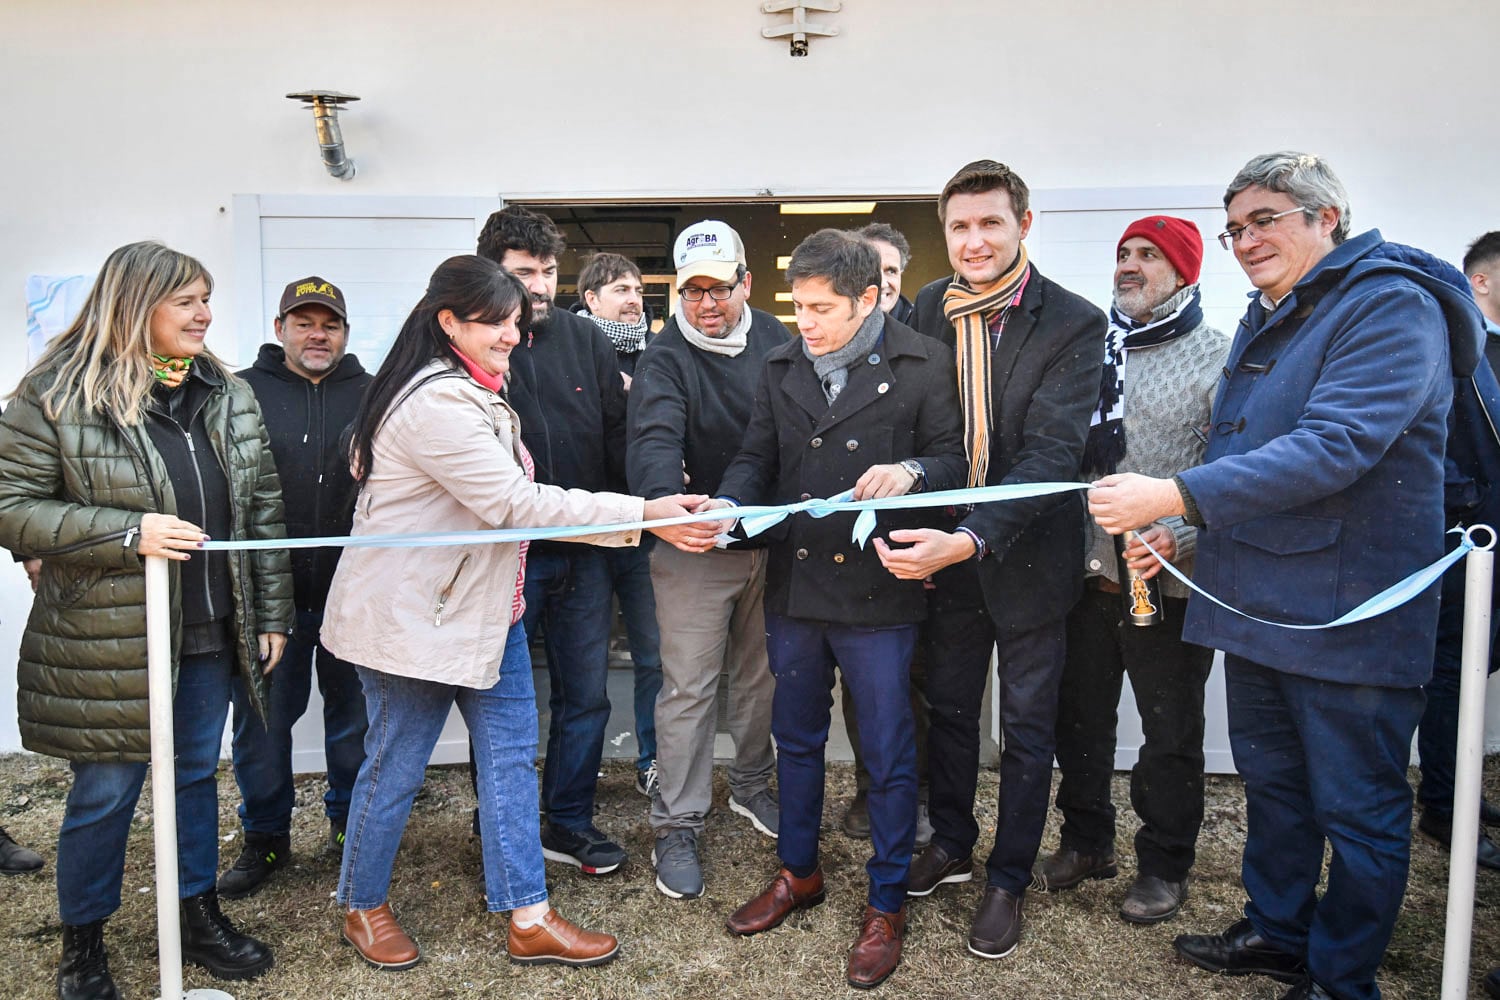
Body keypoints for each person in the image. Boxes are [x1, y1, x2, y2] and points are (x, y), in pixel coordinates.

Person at [1088, 151, 1485, 1000]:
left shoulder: (1388, 306)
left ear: (1325, 217)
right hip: (1263, 603)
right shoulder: (1276, 312)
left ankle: (1342, 976)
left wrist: (1175, 495)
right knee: (1276, 788)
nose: (1244, 240)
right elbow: (1247, 451)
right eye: (1233, 228)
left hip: (1348, 615)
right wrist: (1188, 538)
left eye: (1264, 220)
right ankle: (1277, 930)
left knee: (1358, 807)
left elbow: (1336, 445)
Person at [320, 255, 715, 971]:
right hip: (417, 623)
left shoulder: (475, 388)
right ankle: (362, 902)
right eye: (496, 322)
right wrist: (647, 512)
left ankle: (528, 914)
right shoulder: (438, 402)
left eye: (514, 321)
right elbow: (515, 505)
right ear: (449, 323)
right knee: (396, 768)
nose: (511, 334)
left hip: (483, 613)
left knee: (507, 762)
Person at [0, 240, 294, 998]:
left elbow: (259, 507)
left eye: (206, 299)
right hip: (110, 636)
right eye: (186, 301)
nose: (203, 315)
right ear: (136, 305)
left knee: (196, 778)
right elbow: (13, 509)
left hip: (208, 630)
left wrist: (267, 610)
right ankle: (84, 945)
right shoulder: (58, 393)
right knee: (107, 792)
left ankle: (195, 916)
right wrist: (127, 534)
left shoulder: (222, 391)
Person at [717, 228, 966, 989]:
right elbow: (760, 455)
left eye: (822, 307)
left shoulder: (925, 364)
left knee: (888, 754)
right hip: (796, 588)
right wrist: (728, 502)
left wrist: (913, 469)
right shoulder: (781, 363)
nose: (806, 321)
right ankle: (799, 871)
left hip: (879, 588)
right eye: (798, 306)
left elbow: (957, 459)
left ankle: (886, 902)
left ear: (870, 299)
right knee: (796, 737)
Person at [876, 159, 1107, 960]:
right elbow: (913, 427)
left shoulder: (1073, 321)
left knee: (1026, 727)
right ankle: (950, 839)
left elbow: (1050, 455)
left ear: (1024, 225)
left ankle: (1007, 878)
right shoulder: (929, 309)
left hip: (1029, 556)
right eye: (959, 227)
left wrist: (971, 535)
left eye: (990, 224)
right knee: (946, 707)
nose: (974, 241)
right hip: (944, 557)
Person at [1035, 216, 1228, 924]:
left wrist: (1179, 534)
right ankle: (1087, 840)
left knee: (1168, 731)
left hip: (1169, 579)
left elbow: (1230, 473)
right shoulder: (1089, 350)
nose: (1130, 265)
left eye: (1149, 255)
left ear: (1183, 272)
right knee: (1077, 719)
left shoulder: (1219, 358)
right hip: (1085, 574)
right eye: (1123, 253)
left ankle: (1164, 863)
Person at [627, 220, 788, 900]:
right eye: (691, 291)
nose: (706, 305)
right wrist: (667, 506)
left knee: (760, 677)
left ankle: (753, 784)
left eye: (719, 288)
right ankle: (677, 823)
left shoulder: (781, 339)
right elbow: (654, 433)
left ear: (746, 283)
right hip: (695, 542)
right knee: (689, 686)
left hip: (771, 540)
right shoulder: (666, 357)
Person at [476, 206, 632, 873]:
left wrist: (654, 491)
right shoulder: (469, 344)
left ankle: (567, 821)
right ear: (492, 273)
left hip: (587, 553)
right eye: (523, 273)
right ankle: (501, 828)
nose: (539, 286)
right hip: (504, 557)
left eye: (547, 271)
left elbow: (620, 432)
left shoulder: (586, 339)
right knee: (501, 707)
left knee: (586, 696)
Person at [219, 276, 372, 899]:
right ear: (280, 328)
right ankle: (265, 838)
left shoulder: (373, 395)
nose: (317, 334)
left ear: (343, 333)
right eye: (304, 322)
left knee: (353, 722)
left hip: (353, 594)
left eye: (328, 324)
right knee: (262, 725)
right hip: (266, 604)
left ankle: (346, 828)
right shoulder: (239, 394)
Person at [839, 222, 930, 847]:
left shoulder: (929, 354)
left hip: (920, 543)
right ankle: (873, 786)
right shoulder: (824, 354)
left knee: (916, 681)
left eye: (893, 271)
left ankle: (912, 791)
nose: (883, 282)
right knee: (861, 684)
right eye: (872, 271)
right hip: (849, 552)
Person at [1413, 232, 1500, 870]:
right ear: (1483, 282)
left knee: (1477, 672)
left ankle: (1464, 792)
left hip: (1491, 540)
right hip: (1460, 543)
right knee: (1453, 674)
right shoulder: (1457, 353)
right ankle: (1444, 803)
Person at [575, 252, 663, 799]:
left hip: (645, 530)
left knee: (655, 655)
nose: (633, 299)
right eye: (619, 290)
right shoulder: (569, 352)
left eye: (637, 289)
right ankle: (578, 779)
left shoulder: (659, 355)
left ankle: (653, 760)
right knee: (585, 666)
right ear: (590, 300)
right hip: (585, 534)